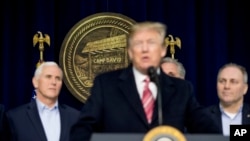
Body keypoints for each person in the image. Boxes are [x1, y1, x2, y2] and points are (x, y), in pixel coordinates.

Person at [70, 21, 219, 141]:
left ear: (163, 50)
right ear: (130, 52)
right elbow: (82, 130)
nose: (145, 49)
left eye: (151, 42)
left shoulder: (181, 90)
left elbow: (209, 132)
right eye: (138, 43)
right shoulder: (106, 85)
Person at [6, 61, 80, 141]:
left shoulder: (75, 117)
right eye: (48, 77)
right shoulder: (15, 118)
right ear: (35, 82)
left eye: (58, 78)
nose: (53, 82)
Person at [205, 63, 250, 136]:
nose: (226, 86)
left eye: (233, 82)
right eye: (222, 81)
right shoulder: (203, 117)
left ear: (245, 88)